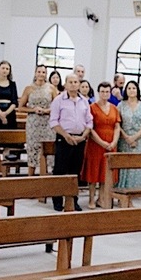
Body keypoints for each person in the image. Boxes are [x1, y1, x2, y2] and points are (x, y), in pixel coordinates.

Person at [48, 73, 92, 212]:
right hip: (64, 138)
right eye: (70, 82)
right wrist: (66, 135)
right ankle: (57, 200)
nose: (73, 84)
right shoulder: (58, 100)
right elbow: (54, 121)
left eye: (76, 82)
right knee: (60, 170)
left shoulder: (84, 101)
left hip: (80, 139)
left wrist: (84, 135)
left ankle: (73, 200)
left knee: (75, 172)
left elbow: (89, 121)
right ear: (65, 84)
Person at [81, 81, 121, 208]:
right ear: (98, 93)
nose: (105, 94)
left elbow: (117, 126)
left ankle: (101, 198)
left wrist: (114, 141)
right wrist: (102, 142)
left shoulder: (114, 108)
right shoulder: (92, 107)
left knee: (105, 172)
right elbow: (90, 128)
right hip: (96, 144)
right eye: (102, 91)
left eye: (107, 91)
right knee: (93, 172)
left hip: (111, 143)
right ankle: (91, 199)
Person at [19, 64, 57, 177]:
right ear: (35, 73)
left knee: (46, 150)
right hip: (33, 123)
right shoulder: (29, 88)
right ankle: (30, 178)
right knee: (32, 149)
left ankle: (44, 176)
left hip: (47, 123)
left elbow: (57, 107)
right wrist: (33, 109)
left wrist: (46, 111)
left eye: (43, 72)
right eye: (39, 72)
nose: (41, 74)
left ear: (46, 74)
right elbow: (21, 107)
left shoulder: (51, 88)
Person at [115, 79, 141, 190]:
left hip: (140, 140)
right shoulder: (121, 105)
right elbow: (117, 123)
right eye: (129, 88)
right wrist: (127, 137)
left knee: (137, 166)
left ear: (137, 90)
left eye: (134, 88)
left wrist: (134, 137)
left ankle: (136, 191)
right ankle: (122, 191)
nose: (131, 90)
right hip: (124, 140)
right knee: (124, 166)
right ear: (126, 90)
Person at [0, 59, 19, 131]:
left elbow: (14, 101)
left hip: (10, 113)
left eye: (7, 69)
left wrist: (5, 113)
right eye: (3, 68)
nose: (5, 70)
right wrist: (0, 113)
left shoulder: (12, 84)